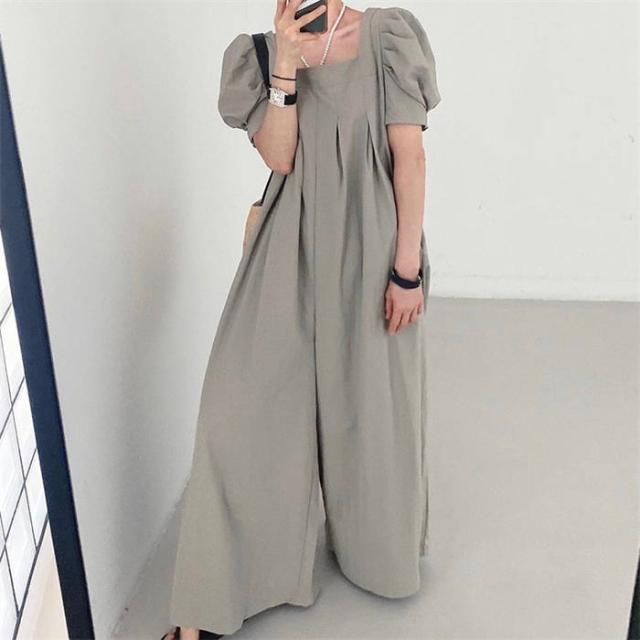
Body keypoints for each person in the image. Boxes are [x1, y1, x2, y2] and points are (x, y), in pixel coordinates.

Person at [162, 1, 440, 637]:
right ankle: (207, 605)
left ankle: (374, 553)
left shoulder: (387, 38)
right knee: (235, 414)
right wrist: (285, 67)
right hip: (287, 250)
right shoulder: (258, 55)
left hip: (371, 249)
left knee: (371, 412)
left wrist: (406, 269)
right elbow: (280, 158)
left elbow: (410, 157)